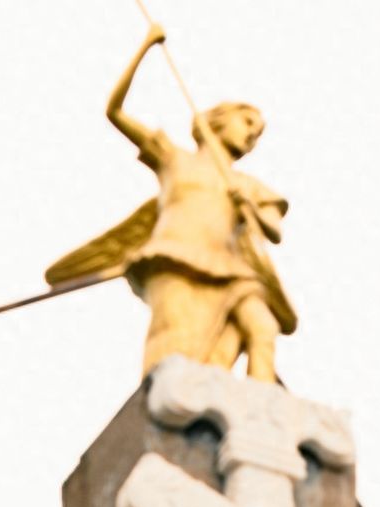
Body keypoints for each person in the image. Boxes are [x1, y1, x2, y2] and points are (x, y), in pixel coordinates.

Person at [46, 23, 295, 382]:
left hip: (230, 266)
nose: (252, 134)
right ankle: (172, 397)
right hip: (175, 257)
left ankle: (260, 405)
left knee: (262, 327)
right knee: (176, 346)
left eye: (257, 133)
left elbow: (274, 231)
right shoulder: (174, 160)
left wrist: (250, 209)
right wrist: (145, 48)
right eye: (247, 122)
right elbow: (115, 111)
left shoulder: (247, 185)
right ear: (218, 121)